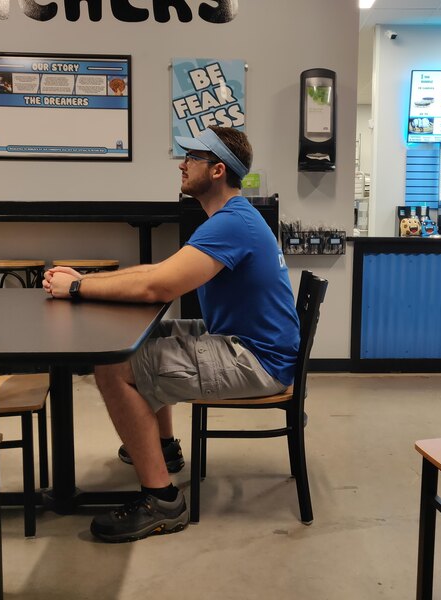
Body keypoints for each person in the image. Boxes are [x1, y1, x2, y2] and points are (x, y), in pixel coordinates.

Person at [43, 126, 300, 543]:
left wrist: (76, 287)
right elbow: (160, 272)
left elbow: (157, 288)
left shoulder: (232, 223)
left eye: (192, 158)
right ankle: (162, 447)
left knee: (113, 366)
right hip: (248, 344)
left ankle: (162, 501)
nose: (182, 164)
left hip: (255, 359)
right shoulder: (232, 218)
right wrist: (85, 280)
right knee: (144, 338)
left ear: (217, 170)